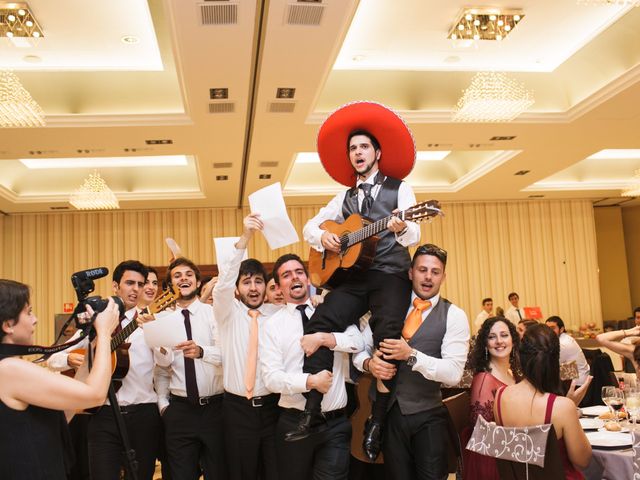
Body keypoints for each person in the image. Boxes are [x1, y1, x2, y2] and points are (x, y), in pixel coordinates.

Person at [294, 102, 421, 460]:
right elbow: (309, 228)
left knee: (388, 341)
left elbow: (414, 233)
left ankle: (376, 420)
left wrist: (402, 225)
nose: (358, 153)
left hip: (390, 275)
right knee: (320, 320)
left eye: (364, 147)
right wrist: (325, 239)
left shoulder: (401, 190)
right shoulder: (344, 197)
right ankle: (313, 407)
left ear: (377, 153)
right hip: (355, 277)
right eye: (353, 149)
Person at [354, 243, 470, 479]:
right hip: (388, 415)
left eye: (435, 272)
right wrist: (368, 364)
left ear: (443, 277)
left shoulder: (455, 316)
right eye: (422, 270)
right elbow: (359, 349)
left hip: (428, 415)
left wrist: (412, 355)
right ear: (410, 272)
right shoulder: (387, 306)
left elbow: (453, 373)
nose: (428, 277)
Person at [0, 279, 119, 480]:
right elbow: (96, 395)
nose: (35, 319)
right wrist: (106, 333)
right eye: (28, 312)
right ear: (8, 325)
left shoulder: (10, 367)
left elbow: (66, 411)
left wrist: (92, 346)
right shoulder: (8, 369)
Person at [260, 253, 364, 480]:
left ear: (308, 279)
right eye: (286, 275)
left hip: (335, 424)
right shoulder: (271, 326)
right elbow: (271, 378)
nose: (294, 277)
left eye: (299, 272)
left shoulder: (331, 309)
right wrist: (310, 382)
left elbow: (358, 342)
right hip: (294, 422)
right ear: (278, 287)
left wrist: (326, 339)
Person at [213, 213, 280, 480]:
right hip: (237, 410)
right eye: (246, 281)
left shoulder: (277, 314)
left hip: (274, 408)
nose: (253, 288)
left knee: (274, 472)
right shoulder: (227, 313)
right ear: (237, 289)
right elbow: (222, 283)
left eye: (258, 281)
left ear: (266, 286)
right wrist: (246, 236)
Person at [85, 260, 162, 480]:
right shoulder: (96, 318)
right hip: (104, 414)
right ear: (115, 286)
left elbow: (166, 363)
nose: (136, 289)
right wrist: (73, 361)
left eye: (140, 284)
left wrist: (156, 333)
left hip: (143, 414)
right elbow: (59, 357)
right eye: (130, 283)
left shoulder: (150, 320)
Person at [154, 257, 226, 480]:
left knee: (220, 473)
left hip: (216, 408)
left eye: (188, 275)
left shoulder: (214, 314)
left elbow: (227, 356)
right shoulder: (160, 319)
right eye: (177, 276)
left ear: (197, 282)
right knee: (180, 474)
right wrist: (164, 405)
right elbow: (162, 367)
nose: (183, 278)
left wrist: (202, 351)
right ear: (170, 286)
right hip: (180, 411)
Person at [494, 324, 592, 478]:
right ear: (556, 360)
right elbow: (583, 461)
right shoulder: (562, 407)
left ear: (520, 355)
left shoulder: (501, 396)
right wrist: (571, 406)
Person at [461, 317, 519, 480]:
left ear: (513, 340)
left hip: (512, 448)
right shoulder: (484, 380)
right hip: (493, 459)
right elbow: (481, 430)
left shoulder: (511, 373)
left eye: (504, 335)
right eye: (492, 337)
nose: (499, 341)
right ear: (485, 344)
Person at [545, 316, 590, 385]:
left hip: (578, 382)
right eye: (546, 328)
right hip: (572, 374)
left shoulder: (563, 343)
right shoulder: (562, 338)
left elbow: (550, 365)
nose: (548, 331)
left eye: (552, 328)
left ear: (561, 329)